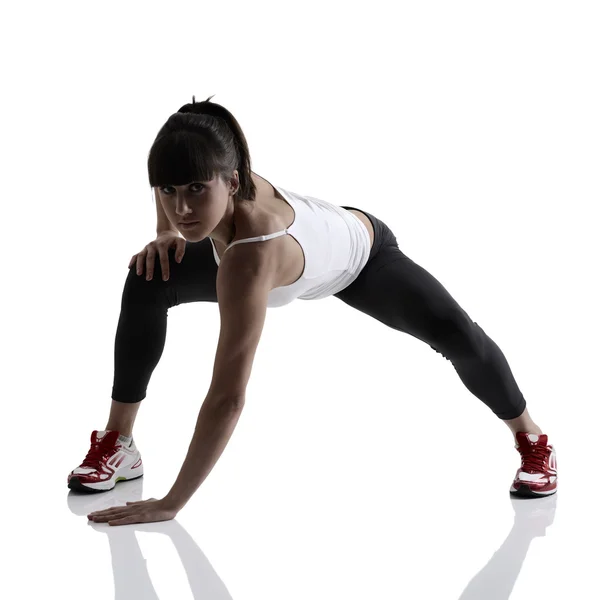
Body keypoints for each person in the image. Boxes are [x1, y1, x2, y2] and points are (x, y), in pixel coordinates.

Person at [71, 96, 557, 526]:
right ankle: (120, 442)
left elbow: (228, 398)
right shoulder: (206, 177)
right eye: (169, 193)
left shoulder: (249, 257)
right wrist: (164, 233)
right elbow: (169, 177)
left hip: (361, 259)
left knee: (457, 335)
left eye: (197, 189)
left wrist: (172, 502)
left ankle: (533, 441)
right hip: (290, 255)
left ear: (232, 180)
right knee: (148, 275)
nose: (182, 209)